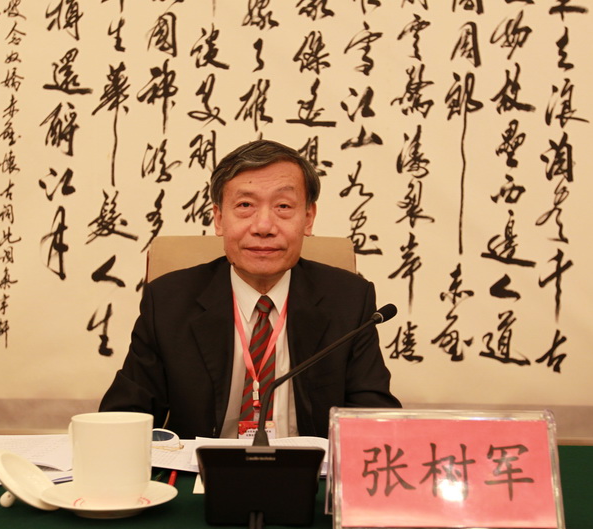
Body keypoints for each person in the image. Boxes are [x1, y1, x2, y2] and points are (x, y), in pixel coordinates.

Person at [99, 139, 400, 439]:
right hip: (202, 467)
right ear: (219, 219)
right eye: (245, 206)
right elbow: (124, 417)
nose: (264, 226)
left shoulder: (348, 300)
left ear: (308, 219)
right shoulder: (168, 301)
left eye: (283, 206)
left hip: (309, 466)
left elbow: (374, 419)